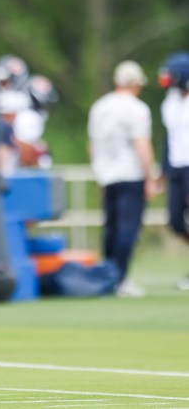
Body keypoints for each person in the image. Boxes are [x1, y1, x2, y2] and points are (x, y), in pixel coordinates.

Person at [87, 60, 157, 298]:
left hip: (107, 175)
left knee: (112, 227)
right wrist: (150, 177)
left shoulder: (100, 106)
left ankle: (108, 275)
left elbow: (92, 145)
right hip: (131, 174)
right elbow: (142, 145)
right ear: (136, 83)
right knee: (128, 228)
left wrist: (99, 174)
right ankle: (120, 278)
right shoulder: (137, 109)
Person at [157, 52, 189, 290]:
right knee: (175, 220)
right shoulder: (169, 101)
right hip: (177, 167)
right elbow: (169, 139)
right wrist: (163, 170)